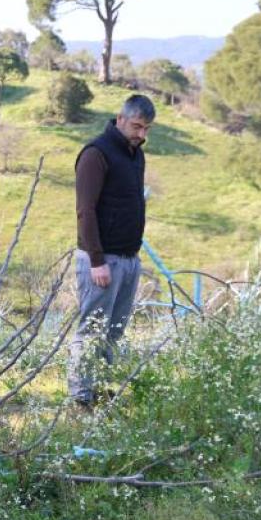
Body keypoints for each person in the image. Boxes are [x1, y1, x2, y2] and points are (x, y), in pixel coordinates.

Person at [67, 94, 154, 406]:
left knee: (114, 331)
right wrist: (97, 260)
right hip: (102, 261)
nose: (141, 134)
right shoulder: (95, 154)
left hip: (129, 259)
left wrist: (134, 257)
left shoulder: (135, 155)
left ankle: (100, 390)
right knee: (91, 330)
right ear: (120, 119)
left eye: (146, 129)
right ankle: (80, 397)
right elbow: (85, 211)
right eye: (136, 126)